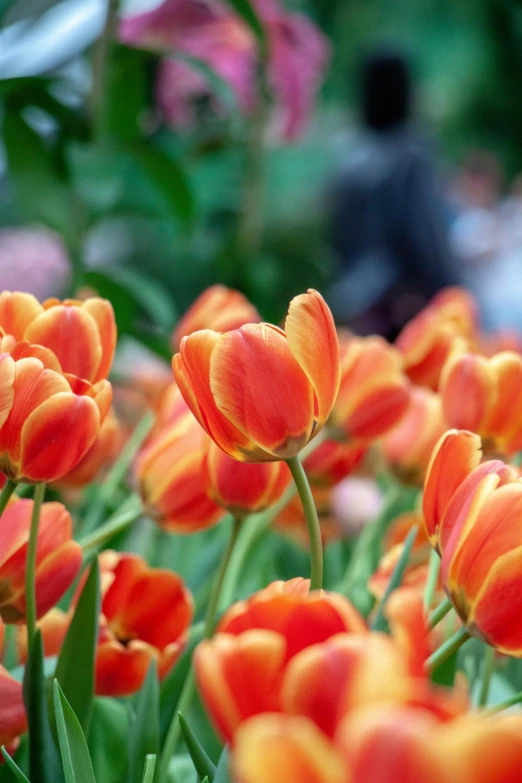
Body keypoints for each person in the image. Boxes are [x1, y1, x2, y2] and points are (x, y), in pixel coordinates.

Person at [328, 49, 457, 338]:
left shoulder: (349, 157)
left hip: (358, 304)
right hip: (407, 308)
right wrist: (455, 296)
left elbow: (339, 239)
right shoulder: (411, 155)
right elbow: (427, 238)